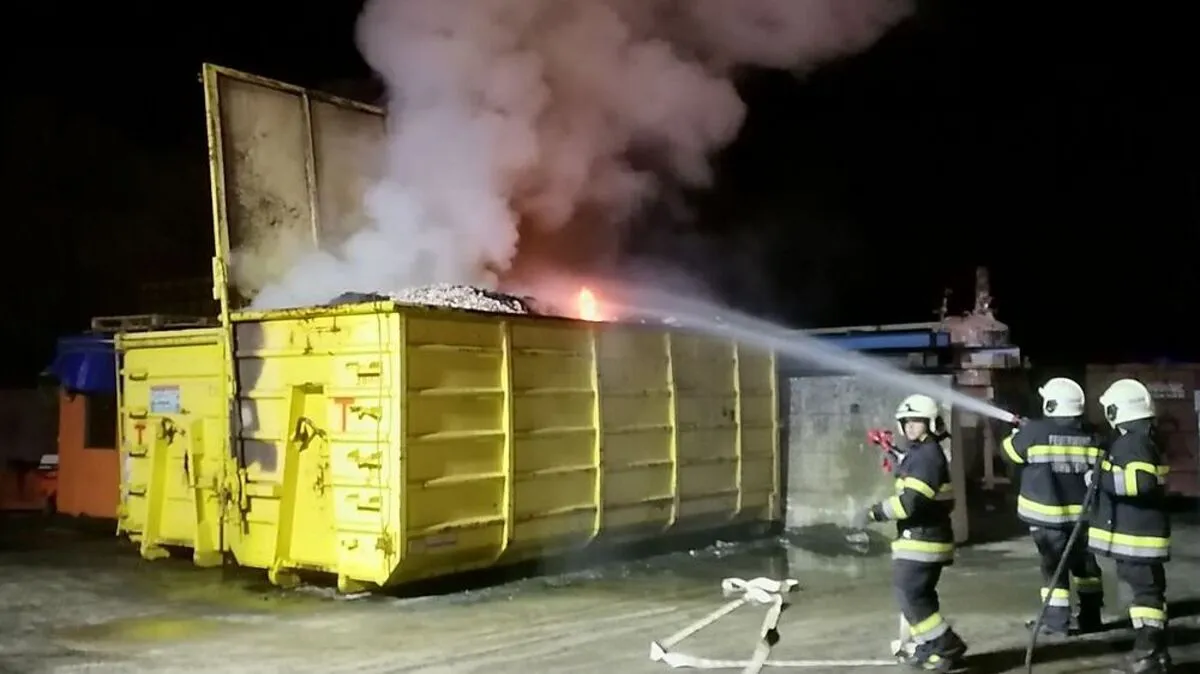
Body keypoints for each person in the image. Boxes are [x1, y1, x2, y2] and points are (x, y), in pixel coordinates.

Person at [857, 393, 967, 673]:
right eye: (906, 422)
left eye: (916, 421)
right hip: (924, 537)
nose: (910, 427)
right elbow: (914, 474)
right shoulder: (922, 454)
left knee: (910, 596)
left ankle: (946, 645)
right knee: (920, 596)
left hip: (923, 539)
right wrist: (894, 454)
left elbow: (909, 503)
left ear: (931, 423)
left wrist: (873, 513)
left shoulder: (927, 457)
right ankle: (930, 646)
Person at [1000, 377, 1106, 636]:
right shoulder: (1093, 434)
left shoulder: (1034, 432)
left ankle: (1057, 622)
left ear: (1050, 404)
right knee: (1086, 567)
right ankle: (1091, 616)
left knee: (1053, 568)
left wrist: (1018, 434)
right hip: (1083, 518)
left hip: (1047, 518)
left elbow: (1009, 453)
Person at [1088, 378, 1172, 673]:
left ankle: (1146, 656)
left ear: (1115, 411)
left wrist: (1099, 478)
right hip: (1139, 534)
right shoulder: (1141, 438)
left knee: (1146, 597)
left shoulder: (1132, 442)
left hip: (1137, 537)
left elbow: (1140, 482)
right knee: (1147, 595)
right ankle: (1156, 656)